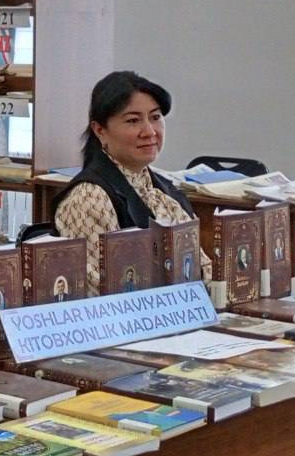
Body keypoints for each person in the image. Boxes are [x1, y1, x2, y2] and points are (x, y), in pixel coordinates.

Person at [52, 71, 212, 296]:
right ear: (100, 130)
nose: (149, 132)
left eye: (155, 117)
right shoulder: (89, 198)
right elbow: (101, 291)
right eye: (133, 121)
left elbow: (203, 269)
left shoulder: (164, 190)